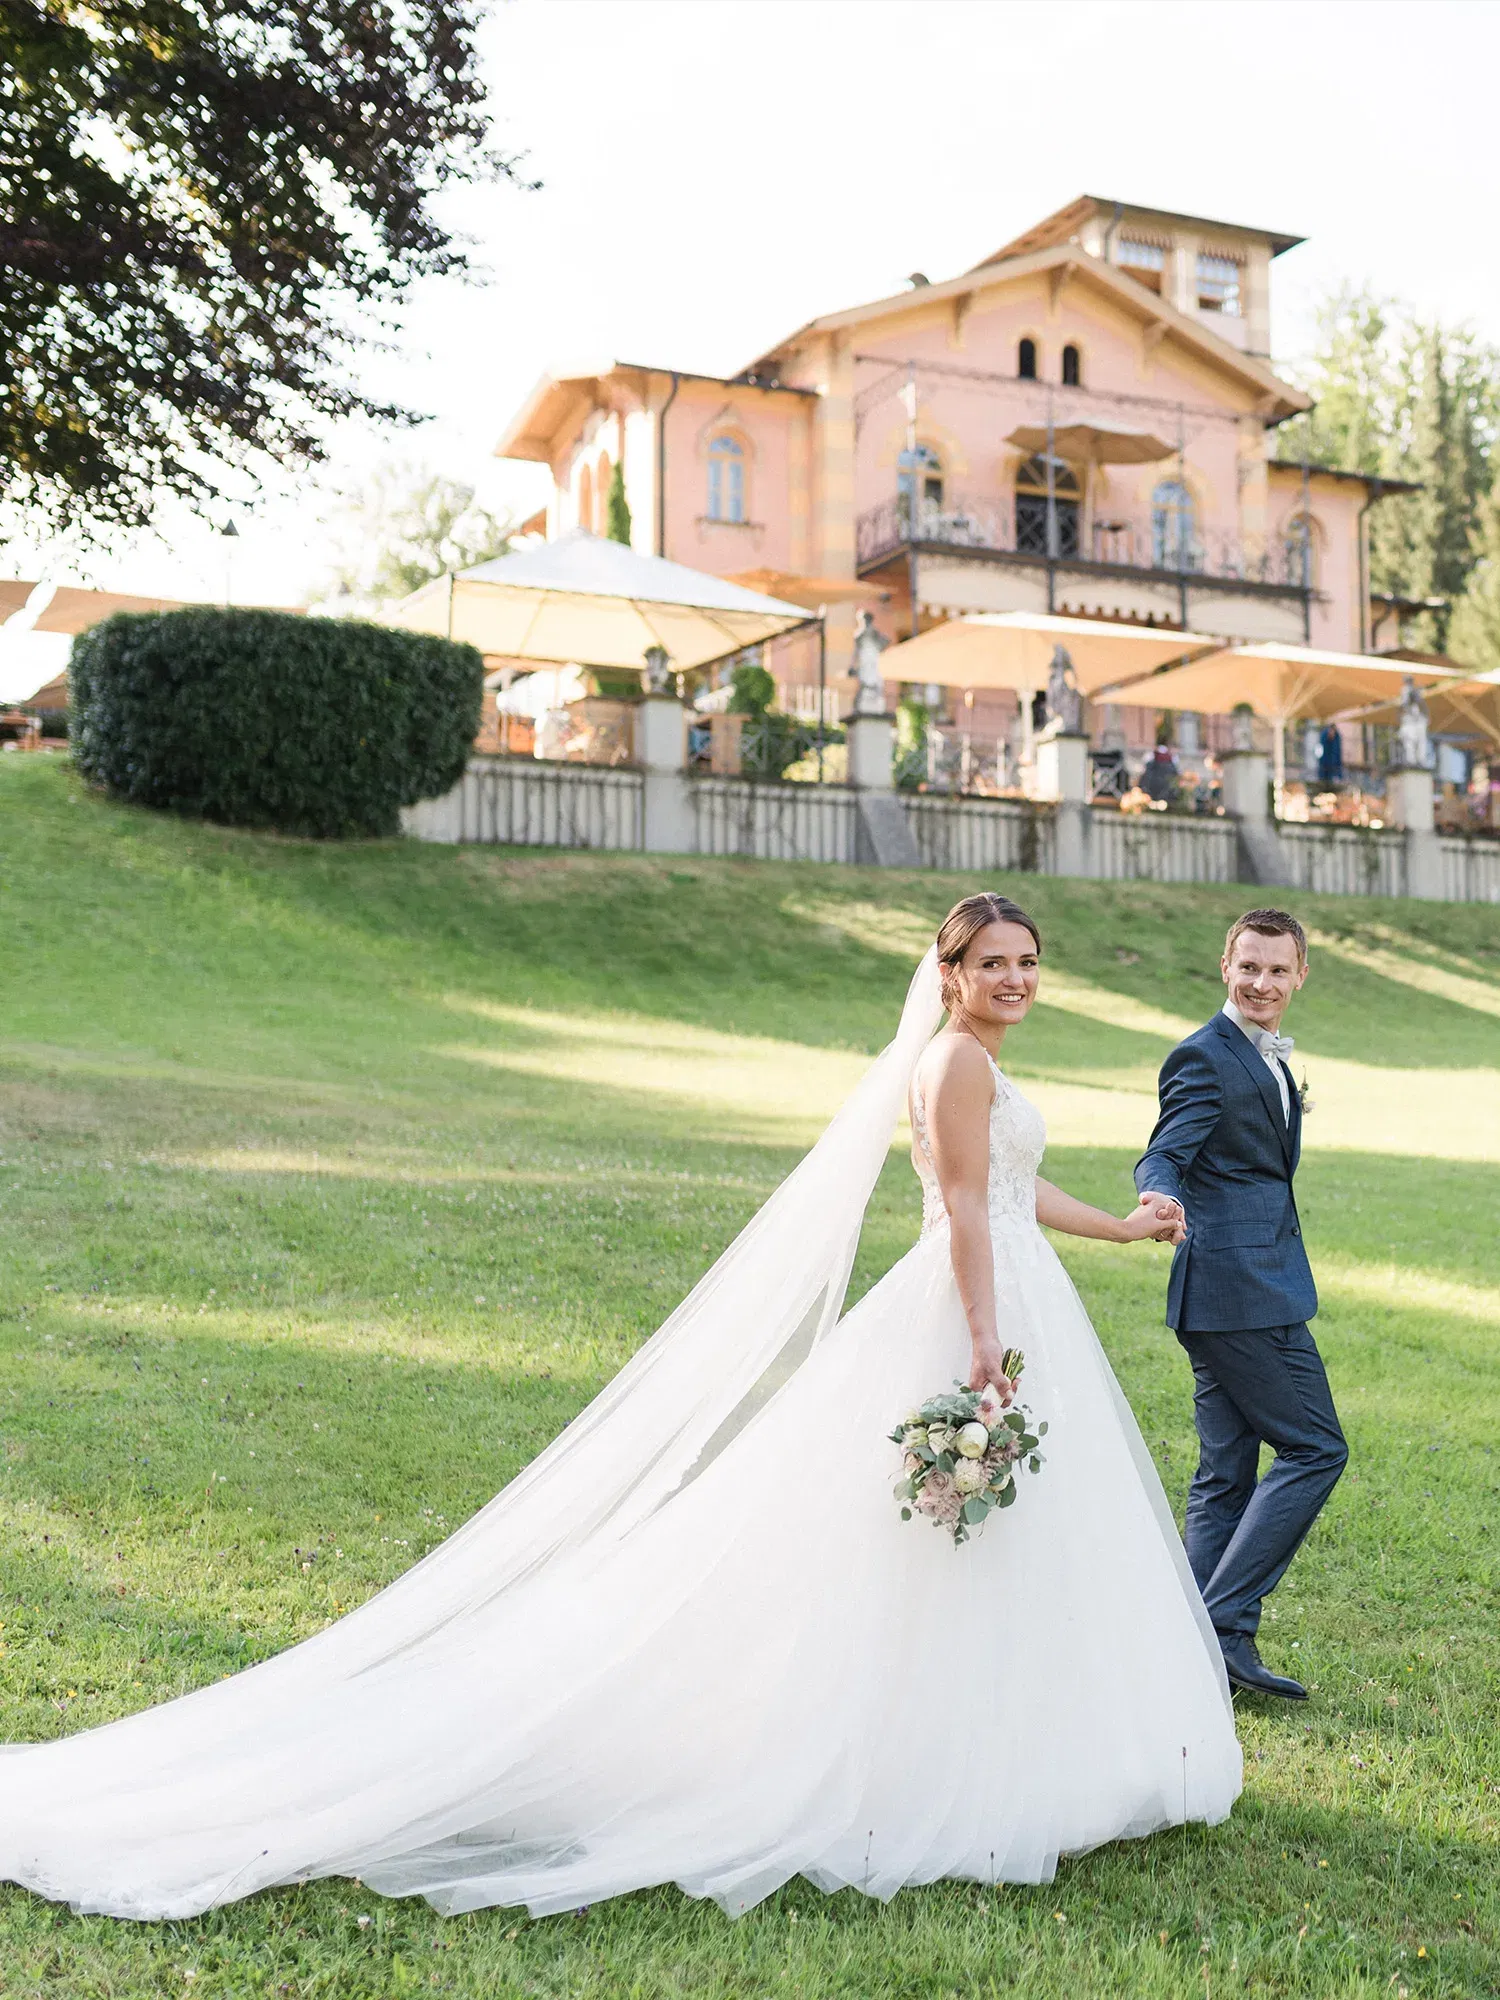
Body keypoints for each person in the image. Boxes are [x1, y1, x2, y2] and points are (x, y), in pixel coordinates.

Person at [0, 896, 1241, 1922]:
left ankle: (1006, 1742)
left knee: (955, 1539)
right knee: (922, 1536)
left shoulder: (968, 1059)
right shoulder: (958, 1061)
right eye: (993, 964)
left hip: (1002, 1291)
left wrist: (1126, 1223)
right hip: (973, 1311)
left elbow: (1014, 1195)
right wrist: (983, 1345)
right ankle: (937, 1758)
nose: (1015, 979)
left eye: (1029, 963)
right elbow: (966, 1212)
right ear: (950, 973)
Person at [1135, 909, 1347, 1703]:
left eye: (1278, 970)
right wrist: (1158, 1192)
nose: (1262, 983)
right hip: (1241, 1292)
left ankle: (1182, 1640)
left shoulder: (1261, 1057)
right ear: (1225, 964)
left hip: (1231, 1290)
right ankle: (1224, 1626)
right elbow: (1166, 1149)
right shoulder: (1203, 1054)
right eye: (1248, 967)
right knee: (1316, 1449)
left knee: (1227, 1474)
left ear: (1300, 976)